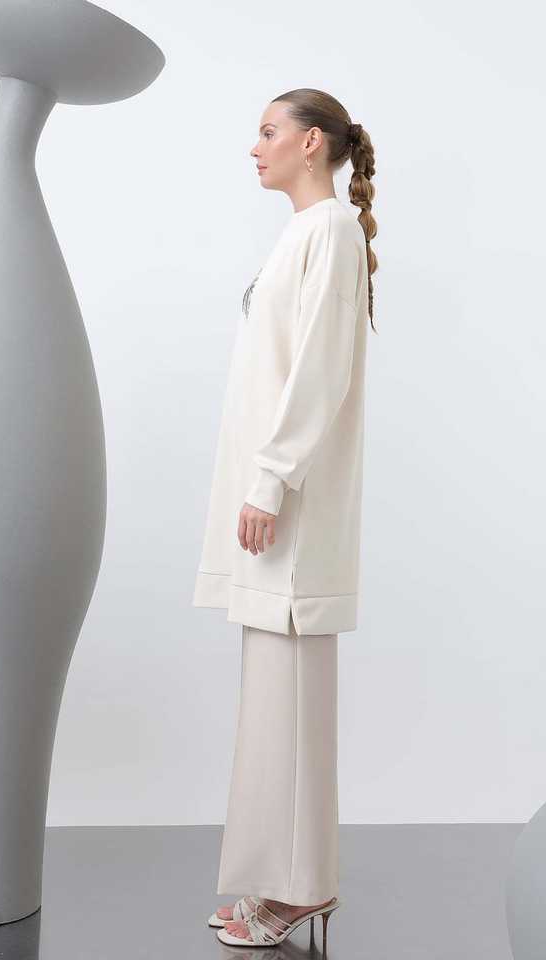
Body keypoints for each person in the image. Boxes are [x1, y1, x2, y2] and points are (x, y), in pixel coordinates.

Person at [192, 87, 378, 949]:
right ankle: (281, 880)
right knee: (274, 703)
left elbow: (320, 372)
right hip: (274, 505)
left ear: (312, 143)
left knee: (291, 702)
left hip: (291, 511)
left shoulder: (330, 232)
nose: (254, 147)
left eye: (268, 132)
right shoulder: (304, 234)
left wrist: (269, 482)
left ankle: (302, 889)